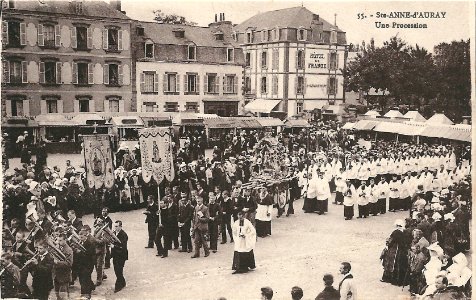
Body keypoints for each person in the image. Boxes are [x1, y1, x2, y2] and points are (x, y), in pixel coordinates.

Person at [52, 234, 73, 300]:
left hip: (64, 276)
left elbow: (69, 263)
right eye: (57, 240)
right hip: (56, 275)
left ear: (65, 240)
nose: (58, 242)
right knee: (57, 295)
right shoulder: (58, 247)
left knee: (64, 295)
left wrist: (57, 262)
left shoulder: (69, 250)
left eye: (60, 240)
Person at [111, 220, 128, 293]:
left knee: (119, 270)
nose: (115, 228)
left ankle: (118, 286)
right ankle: (123, 282)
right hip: (115, 255)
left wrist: (113, 246)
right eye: (114, 226)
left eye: (116, 226)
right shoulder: (114, 233)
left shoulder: (124, 235)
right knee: (116, 270)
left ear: (120, 226)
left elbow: (122, 247)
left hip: (121, 255)